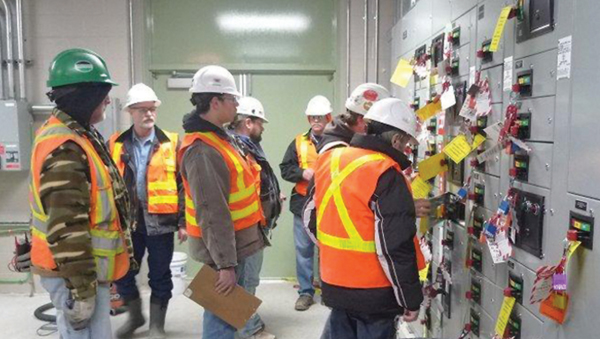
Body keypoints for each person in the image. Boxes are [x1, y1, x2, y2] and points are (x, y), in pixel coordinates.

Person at [29, 48, 134, 338]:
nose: (108, 100)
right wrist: (82, 289)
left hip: (84, 271)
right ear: (84, 97)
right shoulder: (65, 147)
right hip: (75, 275)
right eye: (102, 94)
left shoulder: (80, 134)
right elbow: (68, 227)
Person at [314, 98, 425, 339]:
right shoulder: (386, 172)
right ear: (396, 140)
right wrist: (409, 298)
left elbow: (311, 217)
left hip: (334, 283)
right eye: (406, 143)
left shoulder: (331, 159)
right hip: (374, 292)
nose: (406, 149)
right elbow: (394, 246)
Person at [178, 65, 266, 339]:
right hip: (226, 253)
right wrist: (225, 265)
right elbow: (212, 214)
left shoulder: (221, 139)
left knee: (231, 318)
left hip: (237, 246)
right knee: (222, 321)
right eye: (232, 100)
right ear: (215, 102)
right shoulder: (203, 150)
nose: (237, 105)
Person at [108, 83, 187, 339]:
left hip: (161, 223)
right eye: (142, 109)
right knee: (122, 273)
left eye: (152, 109)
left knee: (160, 275)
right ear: (130, 111)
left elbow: (183, 185)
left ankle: (156, 326)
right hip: (127, 223)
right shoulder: (116, 144)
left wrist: (184, 221)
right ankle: (135, 316)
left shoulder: (171, 143)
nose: (148, 114)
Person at [227, 96, 282, 339]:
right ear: (248, 123)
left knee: (246, 279)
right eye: (260, 123)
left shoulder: (244, 147)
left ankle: (248, 322)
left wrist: (272, 198)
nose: (262, 128)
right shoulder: (240, 149)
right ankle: (248, 330)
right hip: (247, 226)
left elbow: (255, 184)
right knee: (247, 280)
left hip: (252, 223)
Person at [279, 95, 332, 311]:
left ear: (328, 117)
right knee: (304, 249)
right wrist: (302, 173)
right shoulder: (298, 142)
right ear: (308, 119)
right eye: (313, 117)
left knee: (329, 249)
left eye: (320, 117)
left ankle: (329, 290)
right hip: (303, 204)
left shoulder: (338, 142)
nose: (316, 121)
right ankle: (306, 292)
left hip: (329, 204)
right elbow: (285, 168)